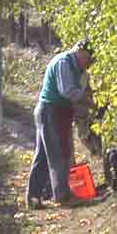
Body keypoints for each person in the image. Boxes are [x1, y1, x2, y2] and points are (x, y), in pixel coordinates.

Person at [27, 39, 94, 208]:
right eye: (88, 58)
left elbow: (82, 89)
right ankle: (62, 197)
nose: (89, 63)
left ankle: (34, 197)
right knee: (57, 154)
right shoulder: (64, 62)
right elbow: (67, 90)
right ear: (80, 52)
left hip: (56, 111)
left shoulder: (79, 69)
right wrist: (87, 101)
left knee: (43, 156)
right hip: (50, 111)